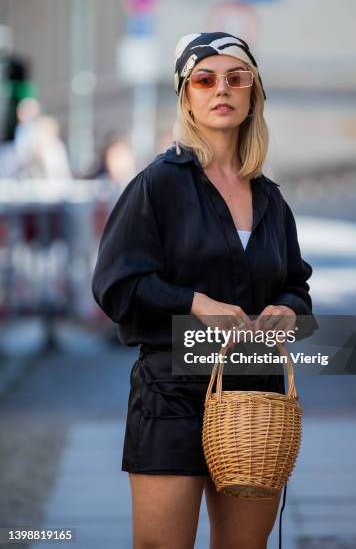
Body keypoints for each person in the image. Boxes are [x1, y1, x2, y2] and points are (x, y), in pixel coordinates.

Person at [91, 32, 318, 549]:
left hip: (256, 393)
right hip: (172, 389)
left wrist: (287, 309)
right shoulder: (159, 184)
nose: (222, 89)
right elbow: (116, 283)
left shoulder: (270, 198)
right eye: (205, 79)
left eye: (237, 79)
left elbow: (296, 284)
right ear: (185, 95)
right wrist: (194, 304)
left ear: (253, 94)